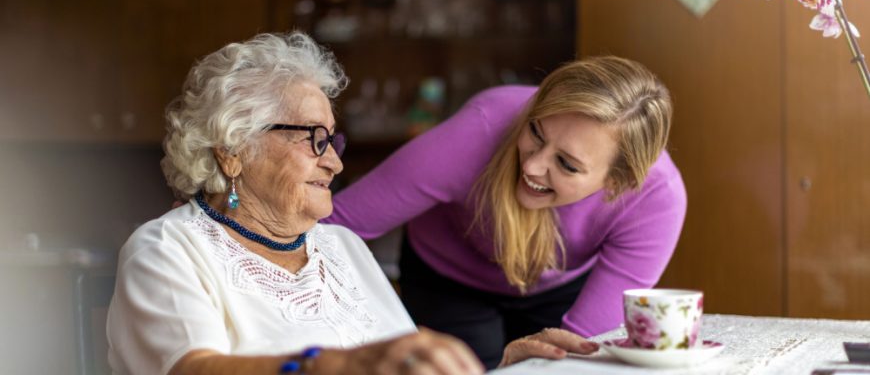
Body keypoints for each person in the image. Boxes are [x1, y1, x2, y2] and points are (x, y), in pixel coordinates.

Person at [106, 32, 598, 375]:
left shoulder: (340, 246)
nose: (335, 166)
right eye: (313, 140)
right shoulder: (168, 249)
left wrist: (501, 367)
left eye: (332, 143)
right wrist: (334, 365)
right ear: (233, 151)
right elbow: (191, 370)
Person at [324, 56, 687, 368]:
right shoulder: (480, 129)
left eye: (566, 164)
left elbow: (581, 354)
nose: (532, 166)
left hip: (560, 286)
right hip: (449, 277)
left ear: (618, 183)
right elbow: (332, 224)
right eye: (536, 132)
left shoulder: (657, 200)